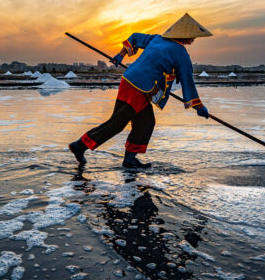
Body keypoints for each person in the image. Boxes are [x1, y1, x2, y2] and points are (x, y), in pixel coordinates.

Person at [68, 13, 213, 169]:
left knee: (146, 122)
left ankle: (129, 159)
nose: (194, 40)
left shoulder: (157, 39)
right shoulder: (181, 53)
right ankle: (80, 145)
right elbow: (187, 81)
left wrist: (121, 54)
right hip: (138, 88)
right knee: (116, 123)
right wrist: (199, 107)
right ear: (186, 36)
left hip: (131, 82)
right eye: (193, 36)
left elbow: (135, 37)